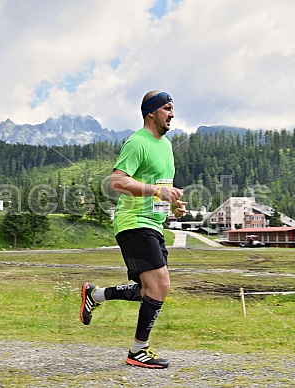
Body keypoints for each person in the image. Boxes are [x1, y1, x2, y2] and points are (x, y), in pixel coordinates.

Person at [80, 90, 187, 369]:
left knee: (147, 290)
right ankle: (138, 350)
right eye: (167, 108)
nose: (172, 114)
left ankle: (95, 294)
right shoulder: (137, 143)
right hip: (133, 223)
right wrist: (156, 191)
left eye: (172, 109)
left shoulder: (165, 146)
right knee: (161, 285)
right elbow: (116, 182)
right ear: (151, 112)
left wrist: (173, 205)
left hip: (153, 224)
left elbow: (161, 187)